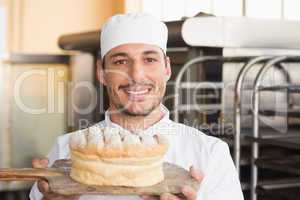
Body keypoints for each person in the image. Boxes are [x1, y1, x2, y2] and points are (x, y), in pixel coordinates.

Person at [29, 13, 244, 200]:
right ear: (101, 72)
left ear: (167, 68)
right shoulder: (64, 151)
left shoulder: (210, 154)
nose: (136, 75)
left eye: (149, 59)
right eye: (120, 62)